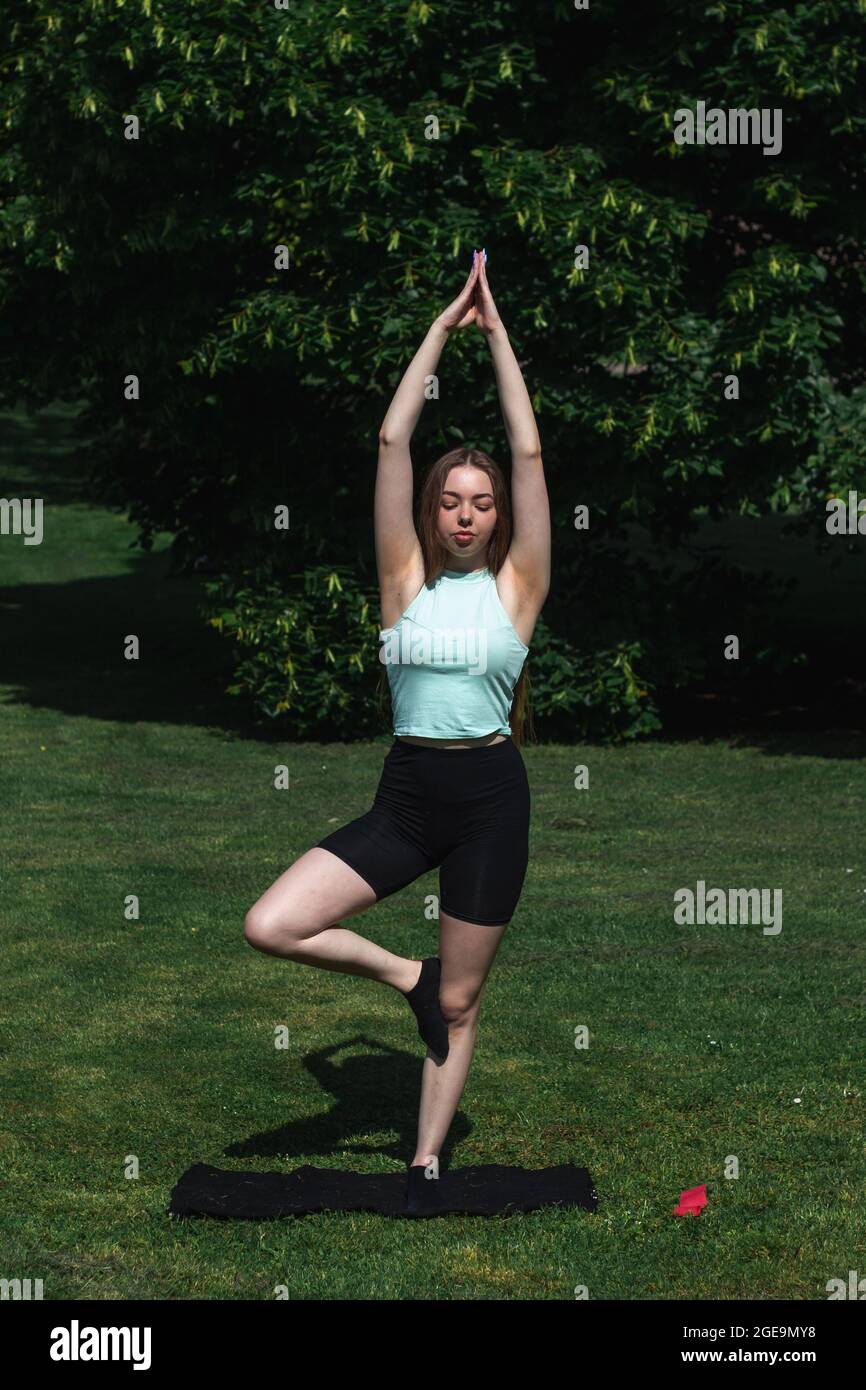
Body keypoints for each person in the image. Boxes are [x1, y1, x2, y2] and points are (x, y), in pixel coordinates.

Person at [244, 249, 551, 1193]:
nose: (465, 513)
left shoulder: (517, 590)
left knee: (461, 1001)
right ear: (435, 510)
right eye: (452, 500)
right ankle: (403, 977)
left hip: (491, 799)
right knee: (272, 923)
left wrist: (496, 336)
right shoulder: (402, 585)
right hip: (409, 796)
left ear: (500, 517)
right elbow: (390, 442)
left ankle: (423, 1163)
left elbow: (530, 450)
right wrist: (438, 328)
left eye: (482, 502)